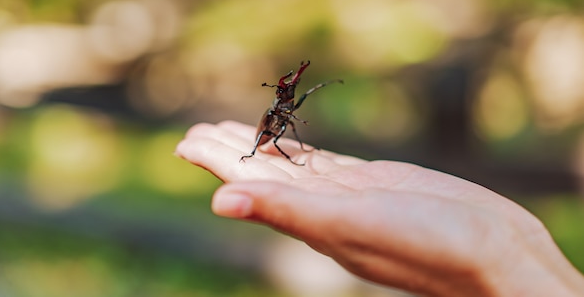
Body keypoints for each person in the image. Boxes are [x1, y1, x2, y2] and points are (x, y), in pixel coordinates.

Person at [175, 120, 584, 296]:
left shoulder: (287, 108)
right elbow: (277, 125)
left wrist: (510, 263)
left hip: (278, 138)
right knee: (276, 131)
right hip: (268, 139)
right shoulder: (276, 114)